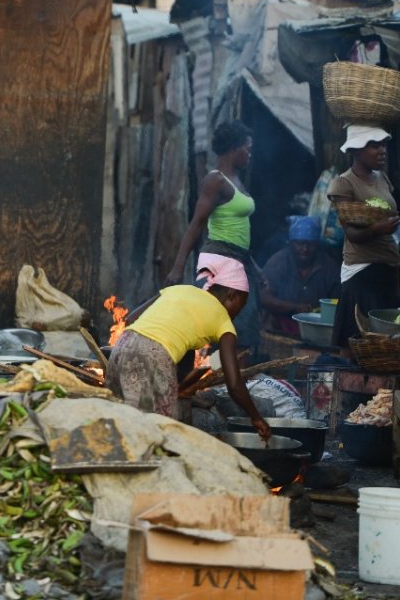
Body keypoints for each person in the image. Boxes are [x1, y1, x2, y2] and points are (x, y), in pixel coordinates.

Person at [107, 255, 271, 438]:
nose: (240, 312)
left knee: (119, 424)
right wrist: (256, 418)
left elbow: (130, 319)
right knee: (160, 435)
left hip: (120, 350)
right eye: (243, 303)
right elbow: (234, 384)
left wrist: (179, 386)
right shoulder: (224, 322)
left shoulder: (181, 290)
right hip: (152, 358)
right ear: (233, 295)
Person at [166, 121, 262, 355]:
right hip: (219, 261)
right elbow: (197, 224)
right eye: (246, 149)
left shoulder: (238, 180)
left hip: (240, 261)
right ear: (233, 149)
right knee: (209, 328)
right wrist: (178, 267)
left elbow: (240, 230)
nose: (249, 154)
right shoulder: (215, 181)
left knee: (243, 332)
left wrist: (256, 269)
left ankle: (228, 384)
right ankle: (205, 383)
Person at [327, 125, 400, 353]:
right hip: (362, 274)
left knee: (385, 345)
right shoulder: (344, 183)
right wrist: (379, 228)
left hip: (387, 269)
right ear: (357, 150)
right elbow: (352, 234)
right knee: (356, 344)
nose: (382, 151)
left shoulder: (381, 178)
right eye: (374, 145)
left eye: (383, 145)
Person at [261, 216, 341, 336]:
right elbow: (264, 298)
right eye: (299, 243)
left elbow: (338, 303)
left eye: (310, 244)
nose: (305, 249)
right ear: (291, 242)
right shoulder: (278, 262)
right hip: (279, 325)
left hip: (317, 328)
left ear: (317, 244)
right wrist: (295, 307)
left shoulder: (329, 267)